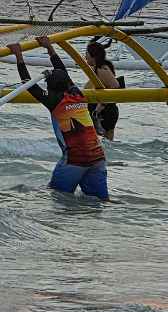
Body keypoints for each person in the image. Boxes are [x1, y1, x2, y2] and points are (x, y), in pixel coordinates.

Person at [7, 36, 108, 200]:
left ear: (48, 88)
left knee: (57, 199)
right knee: (100, 202)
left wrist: (19, 55)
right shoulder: (78, 95)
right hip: (97, 157)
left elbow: (28, 83)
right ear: (68, 85)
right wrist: (50, 48)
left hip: (74, 160)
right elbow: (63, 71)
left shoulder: (53, 101)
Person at [84, 38, 122, 141]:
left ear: (93, 56)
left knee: (101, 143)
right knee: (103, 144)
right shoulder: (97, 69)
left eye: (87, 53)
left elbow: (115, 86)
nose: (86, 56)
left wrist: (100, 106)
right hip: (100, 111)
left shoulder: (102, 70)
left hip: (104, 112)